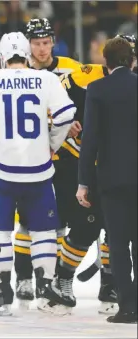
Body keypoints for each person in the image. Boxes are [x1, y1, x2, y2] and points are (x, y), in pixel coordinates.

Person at [0, 32, 76, 316]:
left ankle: (2, 288)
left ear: (2, 56)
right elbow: (65, 116)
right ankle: (45, 287)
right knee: (44, 232)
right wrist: (50, 144)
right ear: (27, 54)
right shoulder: (47, 79)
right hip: (38, 170)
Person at [12, 18, 84, 308]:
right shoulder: (19, 72)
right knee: (28, 222)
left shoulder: (71, 67)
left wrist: (79, 122)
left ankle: (51, 280)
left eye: (45, 43)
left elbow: (84, 104)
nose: (42, 49)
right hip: (32, 156)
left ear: (53, 41)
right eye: (36, 43)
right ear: (28, 44)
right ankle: (24, 278)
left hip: (67, 158)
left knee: (61, 223)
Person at [77, 36, 137, 324]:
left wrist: (83, 182)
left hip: (112, 179)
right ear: (132, 60)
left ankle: (127, 306)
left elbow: (90, 140)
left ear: (106, 63)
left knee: (118, 243)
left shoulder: (97, 89)